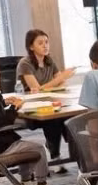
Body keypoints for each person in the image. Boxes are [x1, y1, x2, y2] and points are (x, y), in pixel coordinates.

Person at [16, 29, 75, 171]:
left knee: (70, 115)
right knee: (54, 119)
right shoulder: (25, 63)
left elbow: (61, 85)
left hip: (51, 102)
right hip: (32, 109)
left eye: (47, 42)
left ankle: (76, 152)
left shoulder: (49, 61)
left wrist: (56, 82)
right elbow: (36, 89)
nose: (45, 46)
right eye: (40, 43)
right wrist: (60, 79)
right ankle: (55, 156)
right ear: (31, 47)